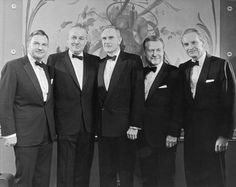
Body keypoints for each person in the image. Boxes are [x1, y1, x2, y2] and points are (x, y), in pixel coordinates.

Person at [179, 28, 236, 187]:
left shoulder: (221, 64)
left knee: (214, 179)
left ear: (202, 41)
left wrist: (224, 135)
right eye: (186, 44)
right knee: (193, 177)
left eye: (194, 42)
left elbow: (229, 102)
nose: (190, 47)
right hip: (191, 135)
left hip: (213, 135)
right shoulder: (183, 68)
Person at [0, 30, 56, 187]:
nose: (40, 47)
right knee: (24, 180)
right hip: (25, 135)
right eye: (36, 43)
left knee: (42, 179)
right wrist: (9, 133)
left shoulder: (47, 69)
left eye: (44, 44)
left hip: (47, 134)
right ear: (28, 45)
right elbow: (4, 102)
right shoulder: (13, 66)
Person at [47, 26, 99, 187]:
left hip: (88, 126)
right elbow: (49, 94)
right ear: (67, 40)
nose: (77, 41)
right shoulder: (54, 59)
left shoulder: (95, 61)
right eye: (74, 38)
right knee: (65, 171)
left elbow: (97, 96)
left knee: (84, 170)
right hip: (65, 125)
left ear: (86, 41)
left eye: (81, 38)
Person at [97, 25, 144, 187]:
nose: (107, 41)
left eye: (110, 38)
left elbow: (138, 94)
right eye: (104, 38)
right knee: (106, 172)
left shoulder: (132, 60)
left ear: (119, 40)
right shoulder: (99, 63)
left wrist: (135, 125)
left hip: (125, 128)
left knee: (125, 172)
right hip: (103, 129)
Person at [138, 35, 181, 187]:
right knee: (147, 178)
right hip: (143, 137)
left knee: (165, 178)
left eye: (158, 50)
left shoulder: (174, 73)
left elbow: (178, 105)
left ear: (163, 51)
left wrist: (173, 133)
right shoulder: (140, 72)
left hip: (165, 137)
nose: (154, 54)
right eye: (150, 50)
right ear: (145, 52)